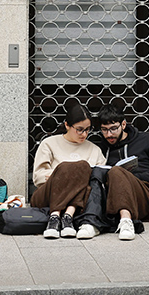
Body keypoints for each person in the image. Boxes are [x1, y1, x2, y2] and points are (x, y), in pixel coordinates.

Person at [81, 102, 149, 240]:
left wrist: (128, 177)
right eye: (104, 130)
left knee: (117, 172)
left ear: (123, 125)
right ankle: (93, 223)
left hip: (144, 195)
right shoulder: (101, 148)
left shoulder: (146, 139)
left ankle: (126, 221)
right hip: (113, 197)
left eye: (113, 129)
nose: (109, 134)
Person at [30, 101, 105, 239]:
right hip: (47, 196)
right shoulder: (49, 143)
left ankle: (63, 217)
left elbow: (98, 182)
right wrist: (61, 175)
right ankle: (58, 215)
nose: (84, 134)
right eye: (79, 129)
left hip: (81, 200)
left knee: (83, 169)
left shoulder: (94, 150)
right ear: (67, 125)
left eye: (87, 129)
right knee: (72, 167)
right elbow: (38, 177)